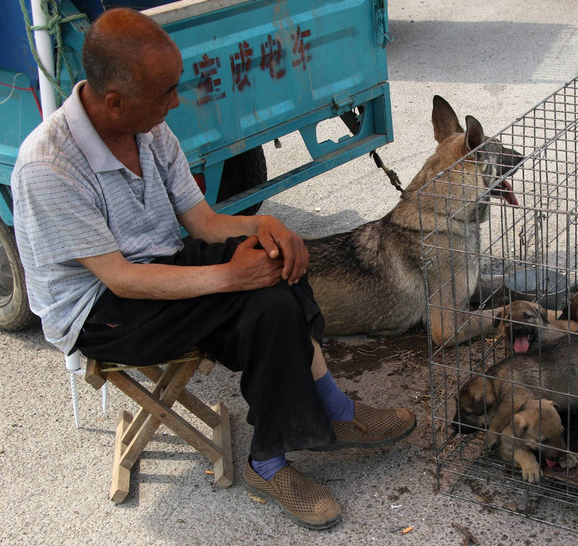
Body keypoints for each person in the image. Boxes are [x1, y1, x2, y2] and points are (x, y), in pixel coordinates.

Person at [11, 7, 415, 530]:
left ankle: (310, 427)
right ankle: (289, 446)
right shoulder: (49, 166)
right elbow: (120, 278)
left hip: (158, 265)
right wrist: (229, 277)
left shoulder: (146, 125)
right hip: (101, 312)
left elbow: (201, 222)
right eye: (165, 94)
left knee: (274, 271)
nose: (175, 103)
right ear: (115, 102)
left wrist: (263, 227)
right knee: (259, 298)